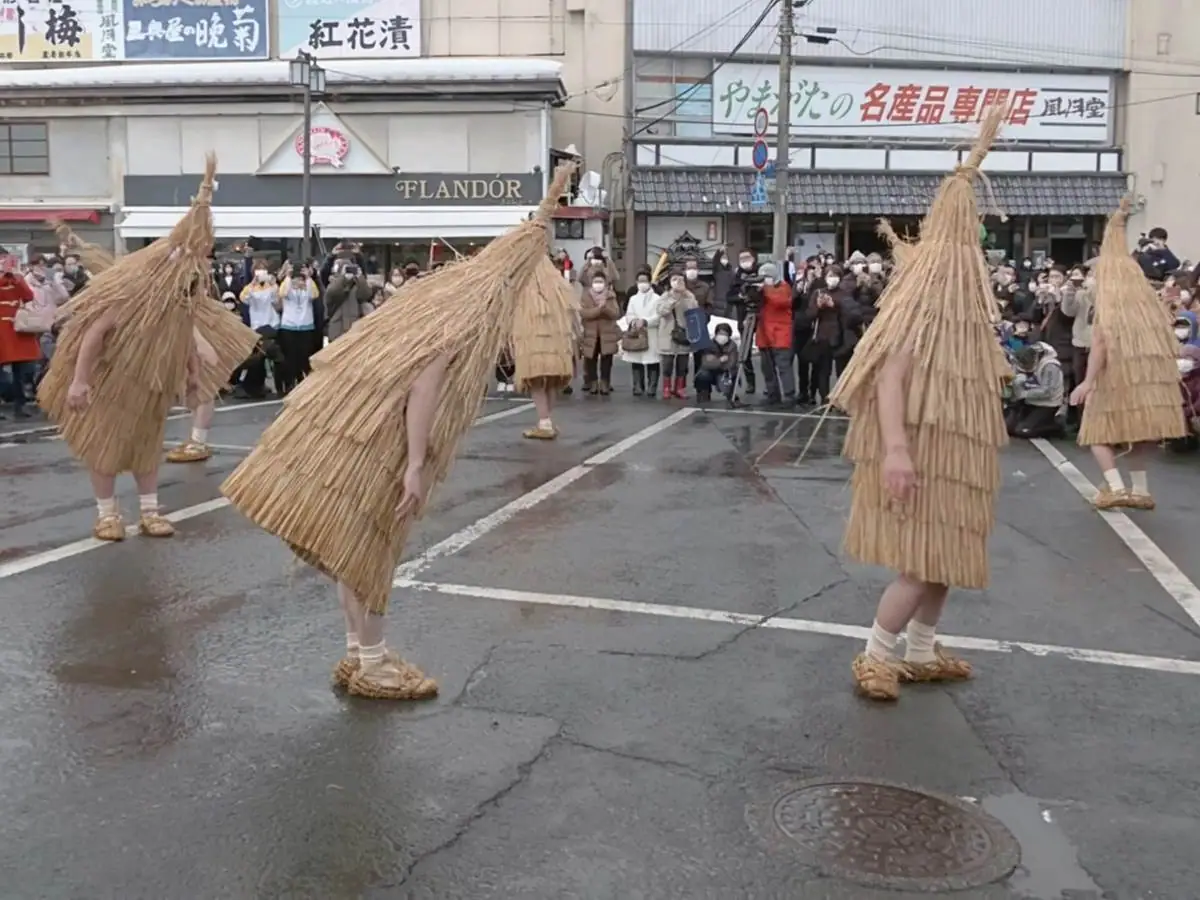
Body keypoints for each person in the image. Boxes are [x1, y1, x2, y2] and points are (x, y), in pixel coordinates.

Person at [220, 164, 576, 701]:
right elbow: (425, 382)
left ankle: (360, 652)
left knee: (349, 542)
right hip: (376, 438)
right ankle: (371, 661)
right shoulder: (472, 309)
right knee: (370, 546)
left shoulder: (436, 294)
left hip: (348, 425)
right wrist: (414, 462)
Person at [829, 107, 1011, 702]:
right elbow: (888, 381)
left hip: (957, 456)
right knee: (917, 564)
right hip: (921, 452)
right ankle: (876, 653)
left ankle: (923, 648)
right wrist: (897, 451)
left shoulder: (966, 314)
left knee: (945, 556)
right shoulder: (921, 309)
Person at [39, 156, 258, 540]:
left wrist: (193, 377)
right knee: (104, 448)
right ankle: (107, 515)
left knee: (146, 448)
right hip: (112, 382)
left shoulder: (180, 302)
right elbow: (93, 335)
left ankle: (150, 511)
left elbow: (183, 338)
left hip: (149, 387)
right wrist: (79, 381)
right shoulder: (132, 296)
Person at [1072, 197, 1187, 510]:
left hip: (1116, 381)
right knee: (1141, 435)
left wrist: (1087, 382)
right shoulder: (1151, 311)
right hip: (1148, 385)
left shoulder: (1110, 309)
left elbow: (1101, 345)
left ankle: (1116, 487)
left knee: (1096, 433)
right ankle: (1140, 490)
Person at [516, 255, 577, 439]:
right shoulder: (560, 285)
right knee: (551, 382)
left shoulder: (525, 288)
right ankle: (547, 420)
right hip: (558, 345)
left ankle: (544, 422)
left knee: (536, 382)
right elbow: (573, 314)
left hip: (534, 344)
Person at [0, 255, 38, 419]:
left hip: (17, 327)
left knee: (22, 370)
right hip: (3, 328)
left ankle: (20, 406)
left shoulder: (16, 279)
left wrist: (17, 277)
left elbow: (28, 296)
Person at [621, 266, 662, 397]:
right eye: (639, 281)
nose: (642, 284)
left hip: (652, 333)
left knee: (652, 361)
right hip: (637, 334)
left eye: (644, 281)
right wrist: (633, 321)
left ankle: (652, 386)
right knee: (636, 360)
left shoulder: (657, 298)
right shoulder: (633, 298)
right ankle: (637, 386)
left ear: (650, 282)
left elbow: (659, 316)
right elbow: (629, 314)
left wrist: (645, 321)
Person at [695, 321, 738, 404]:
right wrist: (720, 361)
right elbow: (706, 363)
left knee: (731, 375)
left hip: (724, 372)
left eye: (725, 334)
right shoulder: (709, 345)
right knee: (702, 374)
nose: (722, 336)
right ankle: (704, 394)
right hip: (711, 372)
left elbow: (732, 363)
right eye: (720, 333)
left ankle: (730, 393)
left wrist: (715, 362)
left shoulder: (732, 346)